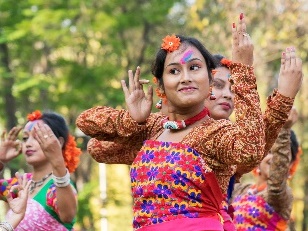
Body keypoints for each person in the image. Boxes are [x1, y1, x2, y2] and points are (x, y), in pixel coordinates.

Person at [77, 13, 267, 230]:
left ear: (211, 80)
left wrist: (243, 71)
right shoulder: (152, 128)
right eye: (174, 71)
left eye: (194, 67)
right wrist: (132, 120)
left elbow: (251, 150)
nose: (185, 77)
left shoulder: (215, 132)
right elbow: (88, 129)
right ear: (161, 86)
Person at [0, 110, 81, 231]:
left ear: (58, 142)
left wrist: (58, 162)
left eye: (37, 137)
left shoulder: (56, 188)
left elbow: (68, 216)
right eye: (25, 138)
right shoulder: (21, 185)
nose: (28, 144)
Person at [230, 108, 301, 230]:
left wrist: (284, 129)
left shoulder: (281, 195)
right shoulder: (241, 190)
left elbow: (276, 181)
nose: (274, 158)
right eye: (268, 152)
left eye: (280, 154)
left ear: (290, 163)